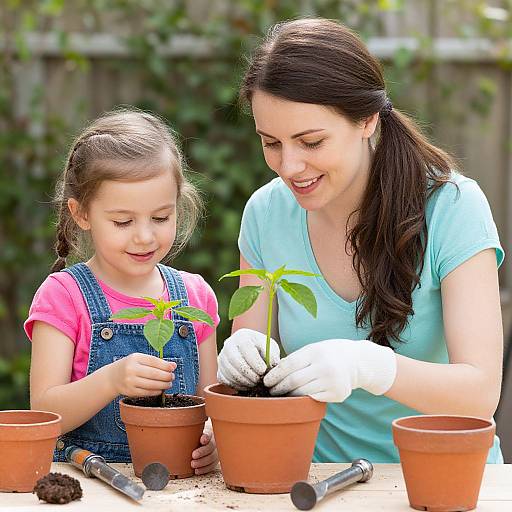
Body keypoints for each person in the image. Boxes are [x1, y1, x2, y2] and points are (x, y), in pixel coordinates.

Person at [217, 18, 505, 463]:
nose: (289, 166)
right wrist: (241, 359)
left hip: (446, 480)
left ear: (367, 119)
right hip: (316, 485)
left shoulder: (453, 207)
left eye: (310, 141)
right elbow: (253, 368)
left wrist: (371, 367)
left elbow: (480, 393)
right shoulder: (266, 214)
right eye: (270, 142)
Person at [25, 109, 219, 473]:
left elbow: (212, 404)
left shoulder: (195, 297)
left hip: (182, 487)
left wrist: (215, 441)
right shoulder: (64, 296)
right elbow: (45, 413)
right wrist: (111, 380)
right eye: (123, 221)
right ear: (81, 214)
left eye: (161, 217)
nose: (144, 236)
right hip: (91, 483)